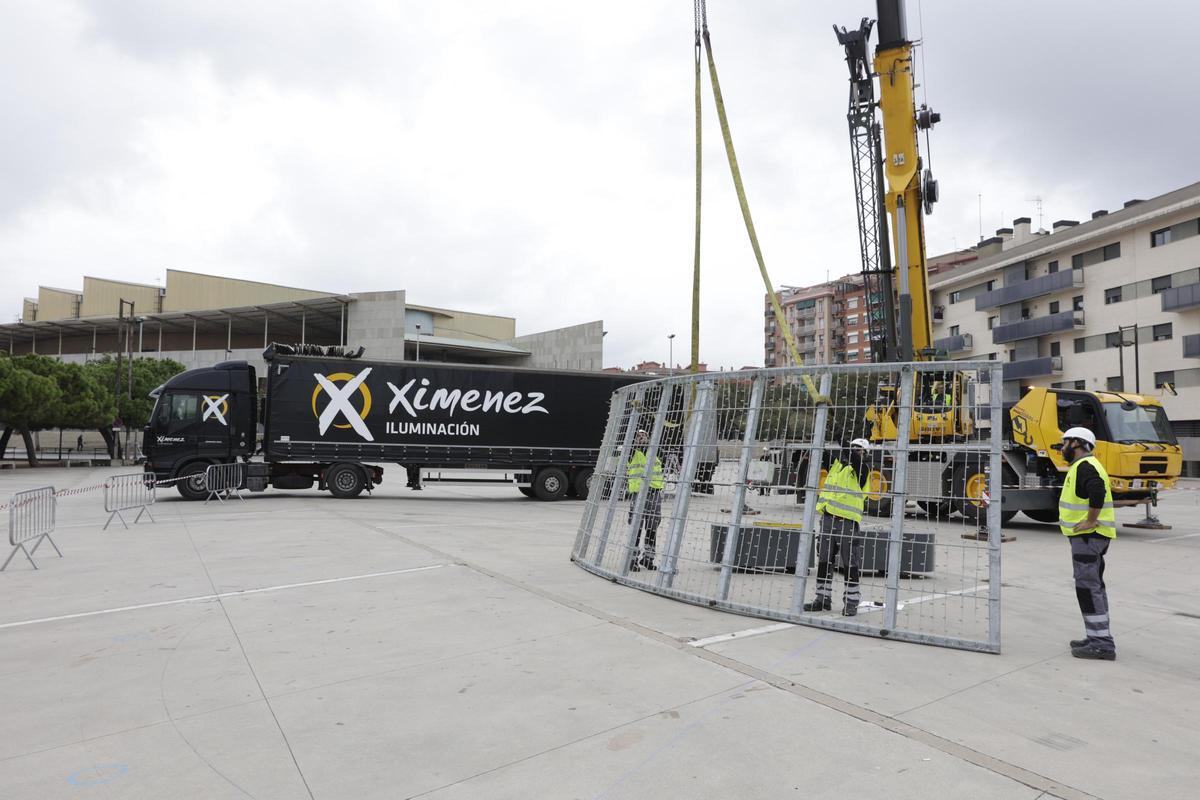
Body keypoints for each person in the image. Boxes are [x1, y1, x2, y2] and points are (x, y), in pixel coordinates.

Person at [1058, 426, 1117, 660]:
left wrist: (1090, 521)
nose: (1061, 448)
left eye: (1064, 443)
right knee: (1094, 586)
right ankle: (1096, 636)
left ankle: (1102, 643)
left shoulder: (1085, 466)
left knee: (1087, 587)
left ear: (1076, 444)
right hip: (1091, 538)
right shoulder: (1085, 466)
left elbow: (1097, 491)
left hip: (1088, 538)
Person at [804, 438, 871, 616]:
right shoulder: (837, 466)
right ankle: (822, 599)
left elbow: (853, 457)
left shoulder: (861, 470)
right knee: (825, 560)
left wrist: (841, 438)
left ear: (865, 454)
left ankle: (851, 602)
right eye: (854, 448)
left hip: (847, 521)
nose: (855, 452)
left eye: (859, 450)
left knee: (850, 563)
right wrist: (821, 431)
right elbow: (823, 454)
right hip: (828, 518)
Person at [626, 429, 665, 572]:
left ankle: (648, 558)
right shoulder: (632, 452)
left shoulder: (656, 451)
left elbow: (662, 466)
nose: (641, 437)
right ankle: (632, 559)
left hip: (654, 492)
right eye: (638, 435)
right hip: (638, 493)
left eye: (644, 435)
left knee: (652, 527)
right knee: (636, 526)